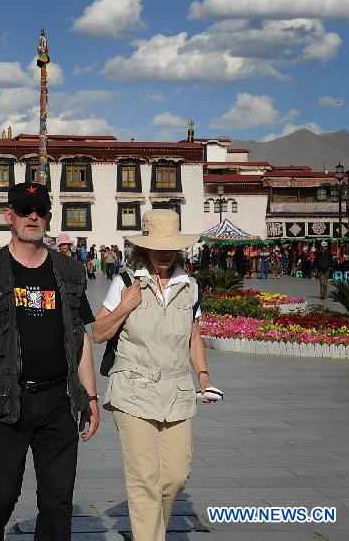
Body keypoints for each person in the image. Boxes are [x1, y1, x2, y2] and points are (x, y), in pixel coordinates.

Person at [0, 181, 99, 541]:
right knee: (1, 496)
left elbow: (80, 337)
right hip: (7, 402)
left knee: (57, 502)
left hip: (60, 400)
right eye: (24, 210)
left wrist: (91, 396)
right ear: (9, 216)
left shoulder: (70, 272)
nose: (32, 217)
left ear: (49, 218)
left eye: (39, 211)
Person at [91, 209, 219, 541]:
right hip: (132, 389)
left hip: (176, 390)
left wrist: (203, 376)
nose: (165, 254)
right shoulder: (125, 282)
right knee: (144, 478)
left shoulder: (188, 286)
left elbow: (193, 336)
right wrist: (125, 306)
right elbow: (99, 332)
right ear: (144, 247)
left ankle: (146, 531)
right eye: (159, 247)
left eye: (172, 247)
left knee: (175, 476)